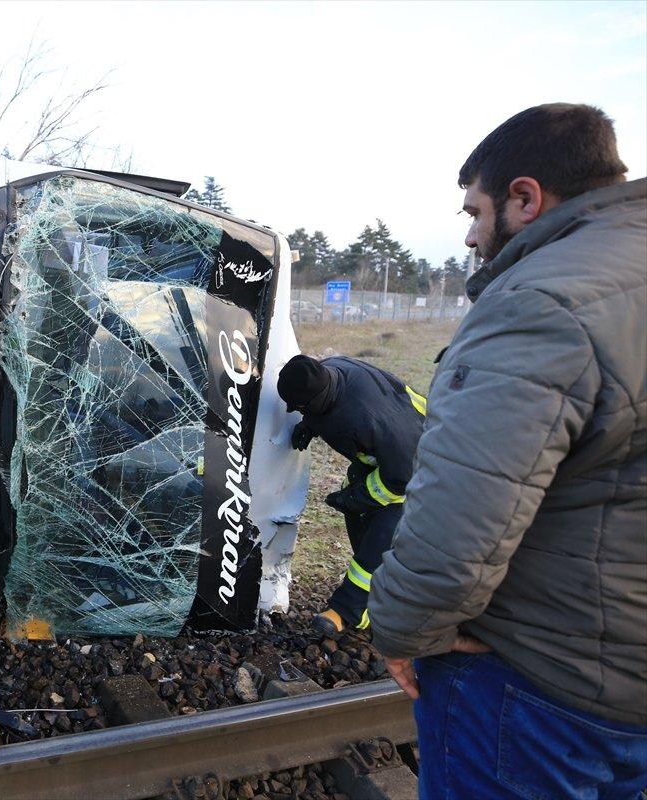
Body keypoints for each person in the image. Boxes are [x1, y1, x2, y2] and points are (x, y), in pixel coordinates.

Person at [369, 103, 647, 798]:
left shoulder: (542, 302)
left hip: (540, 681)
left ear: (525, 198)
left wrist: (404, 627)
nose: (468, 235)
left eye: (474, 211)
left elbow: (466, 506)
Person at [278, 354, 425, 638]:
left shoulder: (367, 419)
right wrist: (311, 425)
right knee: (361, 520)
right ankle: (383, 598)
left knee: (384, 532)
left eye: (299, 409)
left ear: (315, 402)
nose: (293, 412)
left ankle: (348, 611)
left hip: (424, 464)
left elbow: (403, 476)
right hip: (390, 457)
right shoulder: (331, 370)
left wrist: (358, 498)